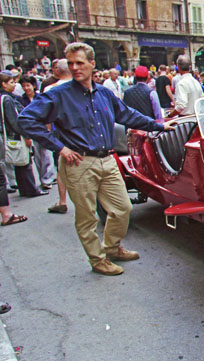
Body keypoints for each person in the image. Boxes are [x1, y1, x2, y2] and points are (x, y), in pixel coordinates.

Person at [19, 42, 177, 276]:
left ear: (92, 64)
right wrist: (59, 147)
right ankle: (98, 260)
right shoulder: (58, 94)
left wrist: (158, 125)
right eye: (71, 63)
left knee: (123, 208)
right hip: (78, 163)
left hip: (107, 159)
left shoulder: (103, 92)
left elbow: (126, 115)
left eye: (79, 63)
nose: (74, 68)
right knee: (87, 218)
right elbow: (26, 120)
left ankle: (112, 248)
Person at [0, 70, 48, 198]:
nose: (14, 85)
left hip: (8, 135)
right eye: (11, 82)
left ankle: (24, 188)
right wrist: (26, 135)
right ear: (4, 84)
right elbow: (14, 120)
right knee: (24, 162)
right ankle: (31, 189)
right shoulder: (8, 99)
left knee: (19, 163)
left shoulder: (5, 97)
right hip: (15, 135)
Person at [43, 59, 73, 215]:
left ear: (57, 71)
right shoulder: (82, 86)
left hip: (59, 134)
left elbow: (46, 117)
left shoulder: (50, 89)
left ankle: (62, 201)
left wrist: (48, 135)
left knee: (61, 168)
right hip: (80, 135)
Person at [21, 74, 57, 190]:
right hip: (31, 131)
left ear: (33, 86)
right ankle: (43, 178)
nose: (26, 88)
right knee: (37, 156)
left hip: (43, 128)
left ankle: (48, 178)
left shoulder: (41, 97)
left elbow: (48, 113)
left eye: (28, 85)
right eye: (24, 86)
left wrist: (48, 128)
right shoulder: (21, 100)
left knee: (47, 154)